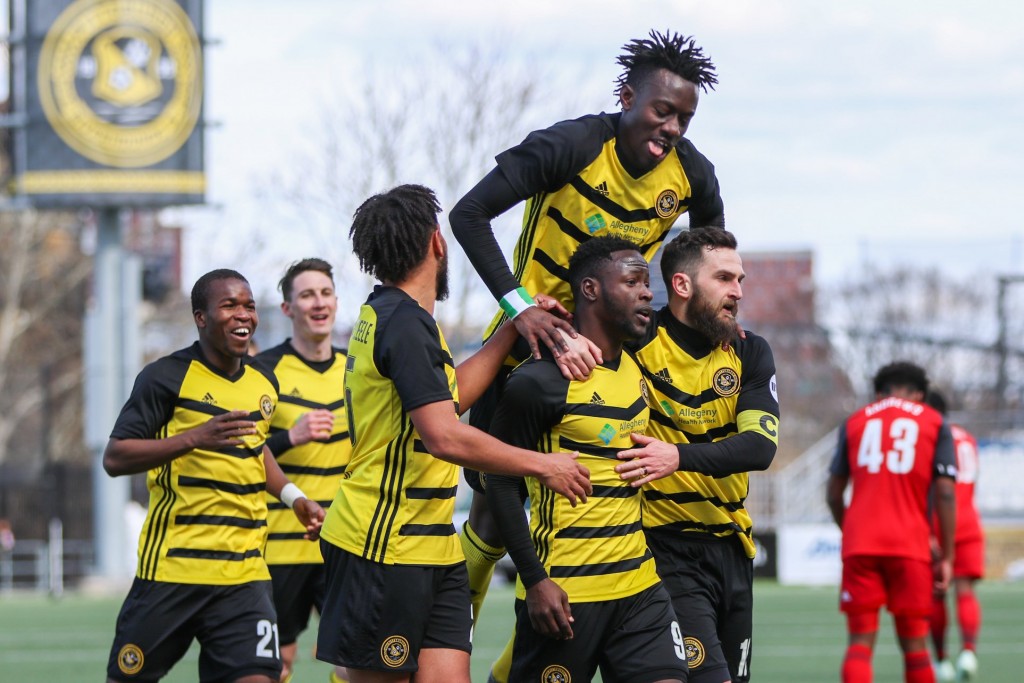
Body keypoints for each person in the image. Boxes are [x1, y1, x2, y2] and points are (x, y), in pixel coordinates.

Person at [450, 29, 725, 625]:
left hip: (618, 357)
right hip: (531, 345)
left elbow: (708, 253)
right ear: (626, 96)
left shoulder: (692, 175)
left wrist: (707, 324)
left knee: (620, 497)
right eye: (662, 110)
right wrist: (520, 309)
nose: (672, 127)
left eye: (684, 117)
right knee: (496, 511)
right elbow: (468, 214)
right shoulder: (570, 145)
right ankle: (451, 636)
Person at [314, 184, 592, 683]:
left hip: (434, 550)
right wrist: (543, 464)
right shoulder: (405, 326)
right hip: (383, 547)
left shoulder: (401, 317)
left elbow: (449, 397)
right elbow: (445, 436)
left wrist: (515, 324)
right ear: (438, 243)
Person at [103, 269, 325, 683]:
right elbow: (116, 457)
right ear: (201, 317)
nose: (243, 315)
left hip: (245, 577)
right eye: (229, 306)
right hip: (172, 573)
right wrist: (195, 438)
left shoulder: (264, 382)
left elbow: (255, 451)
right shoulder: (165, 378)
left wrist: (295, 497)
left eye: (249, 306)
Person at [486, 236, 687, 682]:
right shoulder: (538, 381)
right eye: (632, 280)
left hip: (641, 588)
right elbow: (498, 481)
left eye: (646, 282)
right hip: (565, 594)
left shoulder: (636, 359)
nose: (647, 292)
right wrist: (536, 581)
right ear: (591, 290)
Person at [611, 227, 778, 682]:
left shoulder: (750, 351)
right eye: (724, 278)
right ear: (682, 285)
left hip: (733, 548)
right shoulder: (638, 341)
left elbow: (760, 447)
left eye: (739, 280)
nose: (737, 292)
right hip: (666, 548)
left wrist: (677, 457)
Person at [826, 362, 957, 683]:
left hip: (860, 546)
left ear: (878, 392)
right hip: (910, 545)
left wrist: (851, 531)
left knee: (859, 644)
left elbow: (833, 493)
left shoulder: (855, 421)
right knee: (915, 646)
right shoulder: (933, 421)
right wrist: (949, 557)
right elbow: (946, 494)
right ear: (920, 395)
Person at [255, 258, 350, 683]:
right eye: (307, 294)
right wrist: (288, 437)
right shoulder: (265, 372)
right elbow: (243, 450)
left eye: (326, 293)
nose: (319, 302)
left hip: (342, 540)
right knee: (278, 662)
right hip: (279, 548)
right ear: (288, 309)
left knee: (354, 662)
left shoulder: (358, 370)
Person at [925, 390, 984, 683]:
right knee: (965, 591)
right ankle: (969, 652)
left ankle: (942, 662)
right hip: (969, 521)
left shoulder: (931, 436)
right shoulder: (968, 438)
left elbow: (934, 486)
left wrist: (927, 531)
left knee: (937, 593)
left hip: (939, 524)